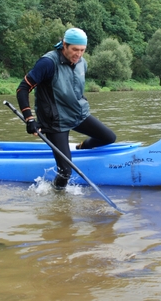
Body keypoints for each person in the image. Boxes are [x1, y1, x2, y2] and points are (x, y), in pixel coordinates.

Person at [16, 27, 116, 189]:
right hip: (55, 121)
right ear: (64, 45)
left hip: (78, 114)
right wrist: (29, 118)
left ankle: (81, 148)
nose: (78, 54)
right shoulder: (48, 63)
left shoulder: (82, 63)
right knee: (65, 172)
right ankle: (57, 198)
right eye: (75, 49)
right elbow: (23, 88)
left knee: (109, 137)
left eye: (82, 50)